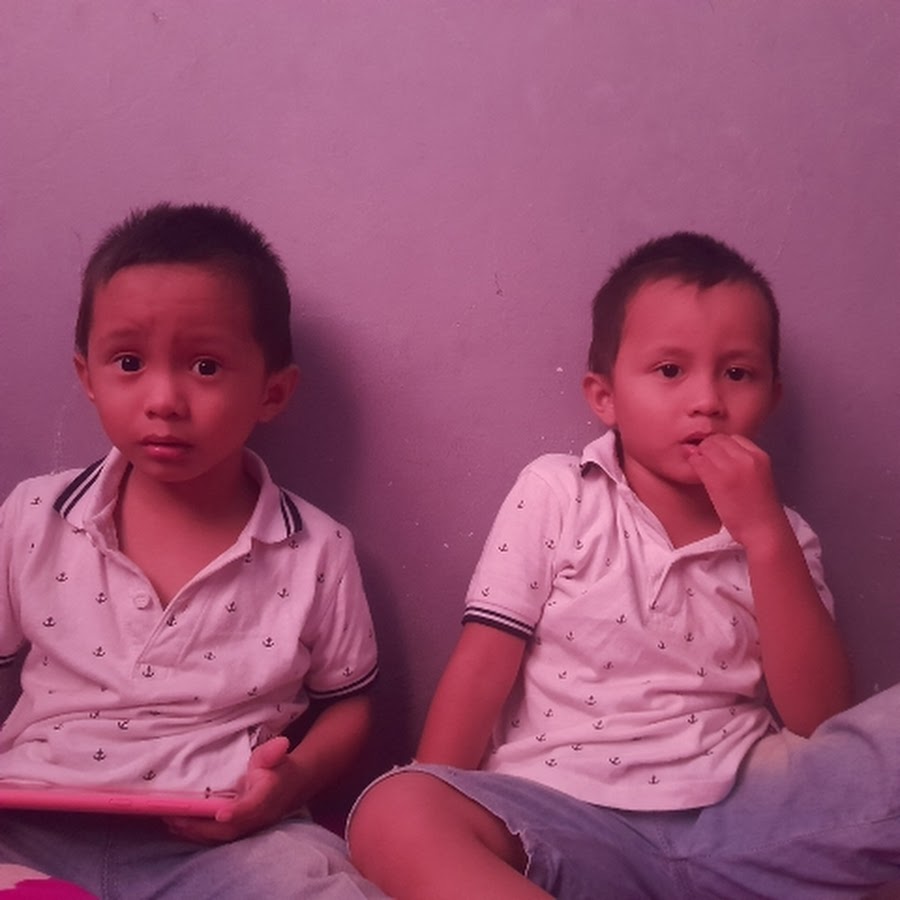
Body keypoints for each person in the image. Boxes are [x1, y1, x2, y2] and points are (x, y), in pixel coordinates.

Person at [348, 232, 900, 899]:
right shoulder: (559, 493)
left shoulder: (785, 537)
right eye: (670, 371)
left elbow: (822, 720)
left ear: (771, 398)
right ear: (604, 396)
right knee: (394, 809)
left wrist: (764, 536)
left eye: (737, 374)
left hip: (747, 822)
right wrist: (441, 793)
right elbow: (481, 667)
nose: (707, 400)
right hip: (566, 821)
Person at [0, 204, 386, 899]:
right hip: (33, 819)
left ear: (272, 392)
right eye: (129, 363)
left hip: (220, 841)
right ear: (88, 377)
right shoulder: (34, 516)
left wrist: (288, 784)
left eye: (205, 366)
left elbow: (350, 706)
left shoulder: (316, 550)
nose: (164, 400)